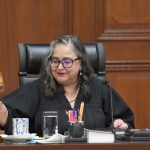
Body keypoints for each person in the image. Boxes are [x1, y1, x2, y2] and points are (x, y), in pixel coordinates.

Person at [0, 35, 134, 136]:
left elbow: (124, 121)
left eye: (67, 61)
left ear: (80, 63)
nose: (59, 67)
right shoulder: (36, 89)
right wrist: (5, 116)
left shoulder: (100, 89)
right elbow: (12, 118)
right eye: (55, 61)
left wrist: (121, 125)